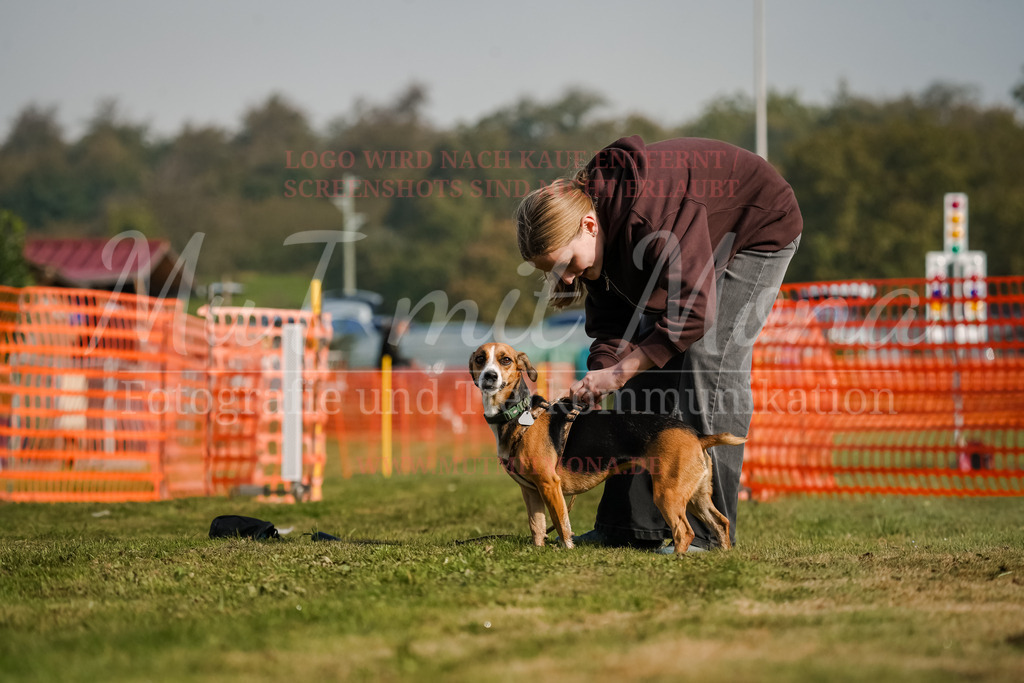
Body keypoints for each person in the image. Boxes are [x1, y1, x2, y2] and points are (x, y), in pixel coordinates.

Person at [514, 135, 802, 553]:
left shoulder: (650, 218)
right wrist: (604, 375)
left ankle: (707, 533)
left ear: (589, 226)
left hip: (757, 227)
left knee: (708, 357)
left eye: (567, 264)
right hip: (696, 240)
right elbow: (613, 328)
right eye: (555, 273)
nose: (568, 279)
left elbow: (694, 313)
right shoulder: (599, 242)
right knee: (636, 369)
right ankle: (628, 527)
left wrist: (621, 371)